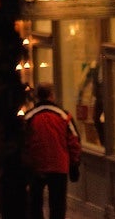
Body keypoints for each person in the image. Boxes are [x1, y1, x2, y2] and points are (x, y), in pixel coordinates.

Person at [23, 83, 80, 219]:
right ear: (51, 96)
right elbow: (74, 141)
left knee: (35, 203)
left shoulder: (29, 117)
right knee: (58, 204)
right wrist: (74, 163)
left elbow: (23, 142)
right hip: (59, 165)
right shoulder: (64, 116)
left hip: (36, 166)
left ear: (37, 96)